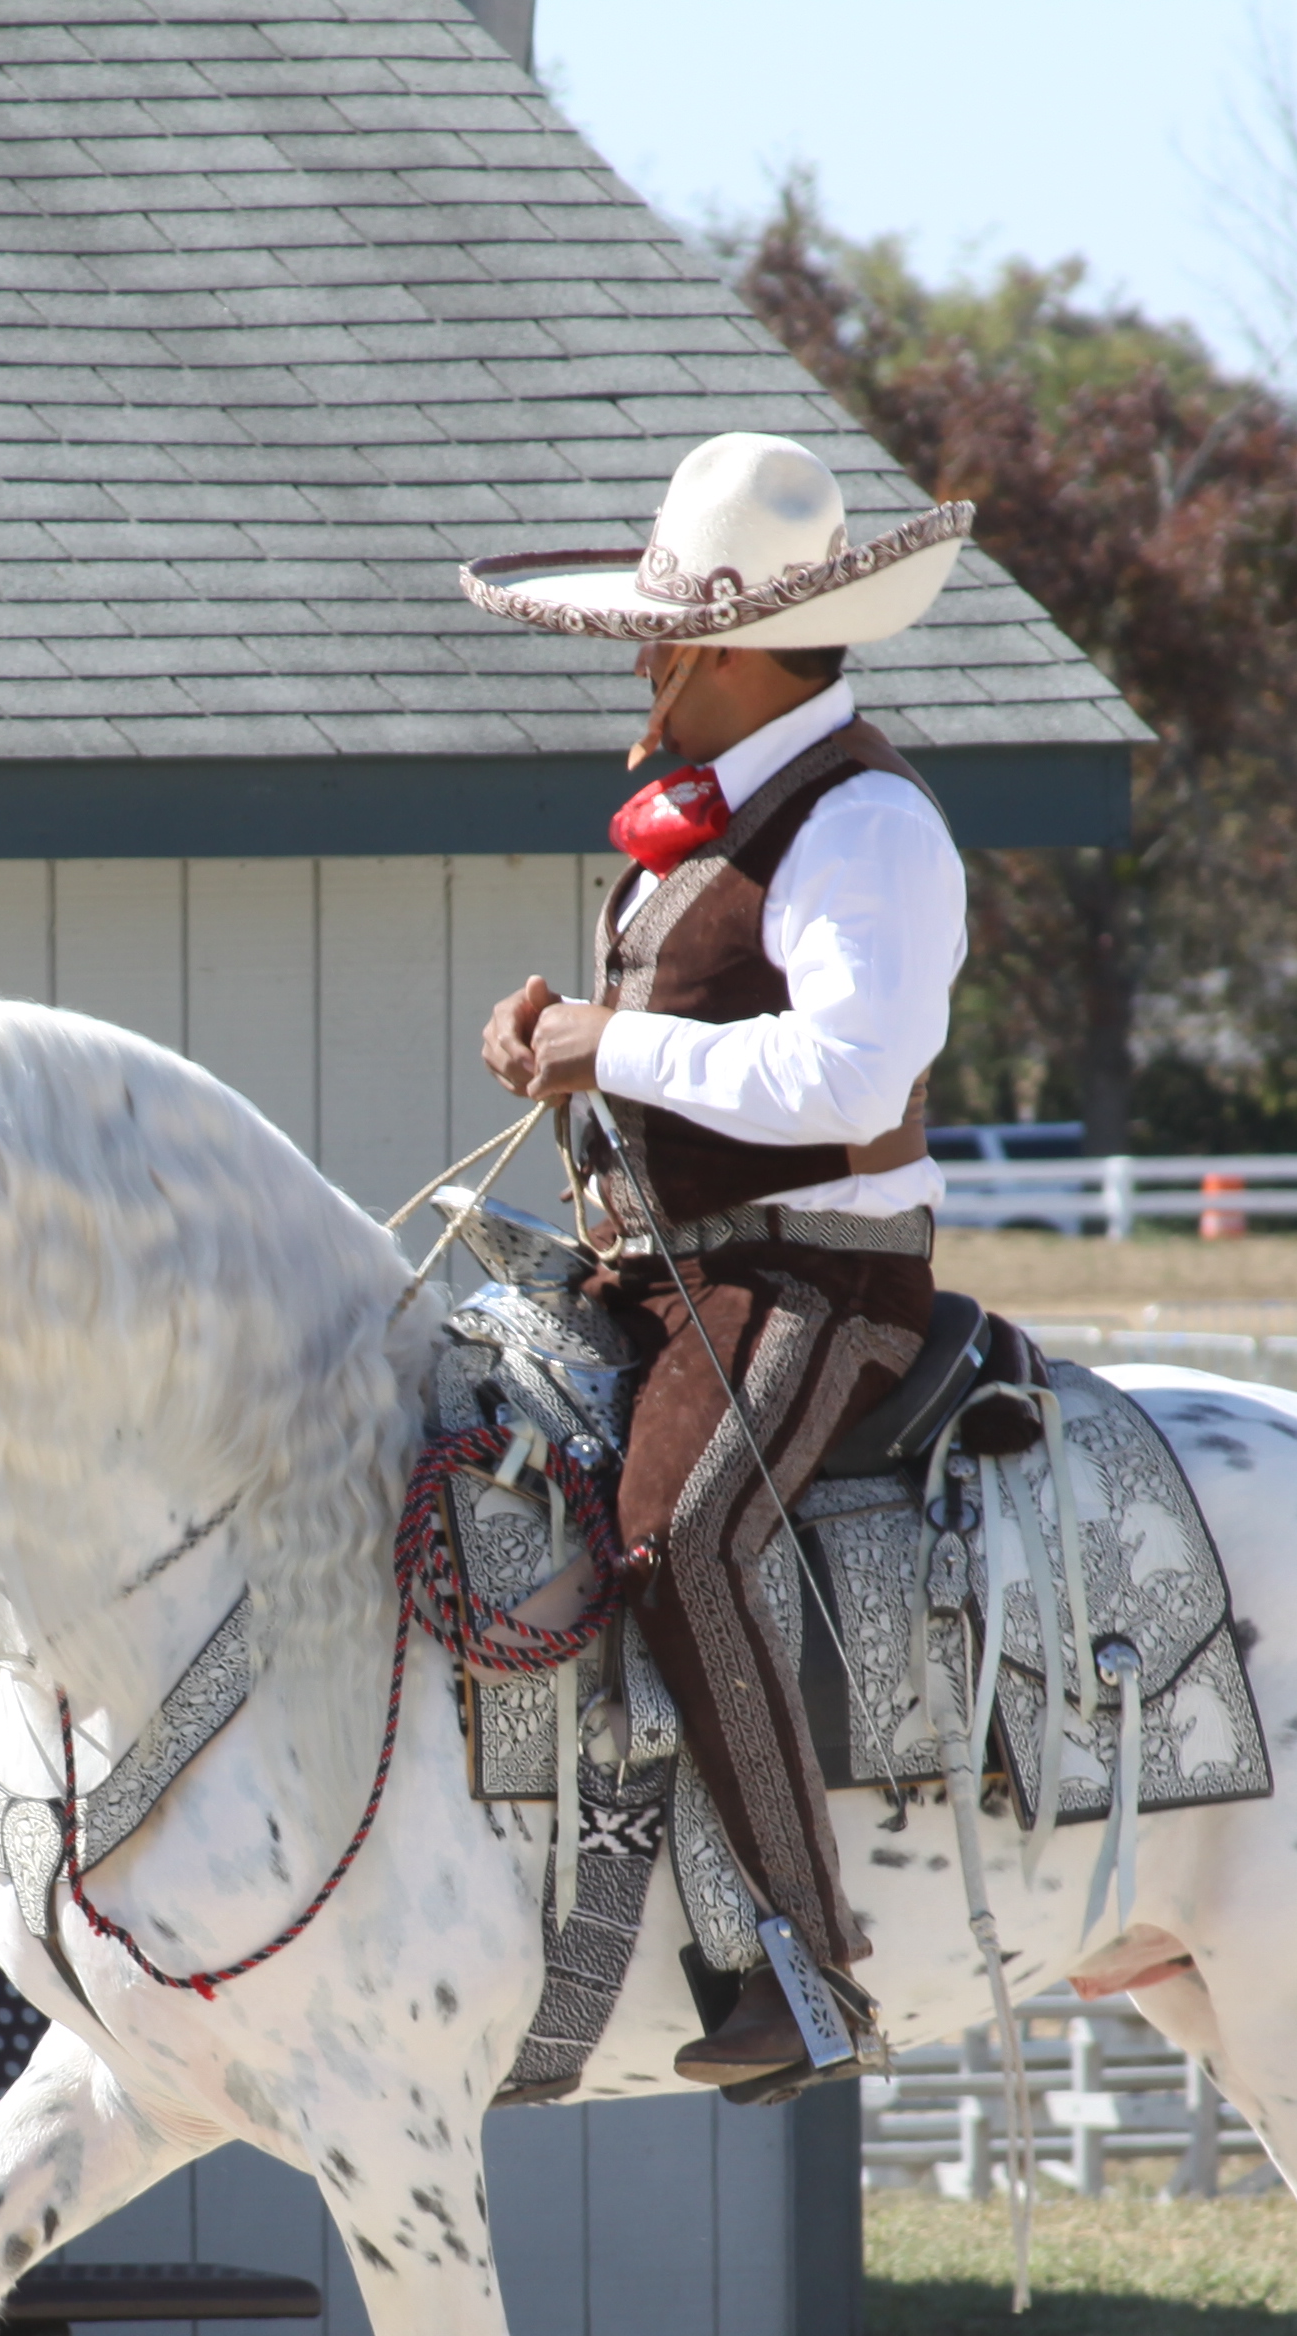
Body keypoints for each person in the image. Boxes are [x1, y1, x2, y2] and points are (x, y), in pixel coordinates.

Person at [454, 432, 977, 2093]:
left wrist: (612, 1046)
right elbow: (693, 1043)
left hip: (819, 1273)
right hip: (674, 1266)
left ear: (730, 652)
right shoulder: (738, 814)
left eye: (661, 640)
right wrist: (570, 1048)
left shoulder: (868, 824)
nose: (642, 669)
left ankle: (808, 1973)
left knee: (680, 1539)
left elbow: (848, 1077)